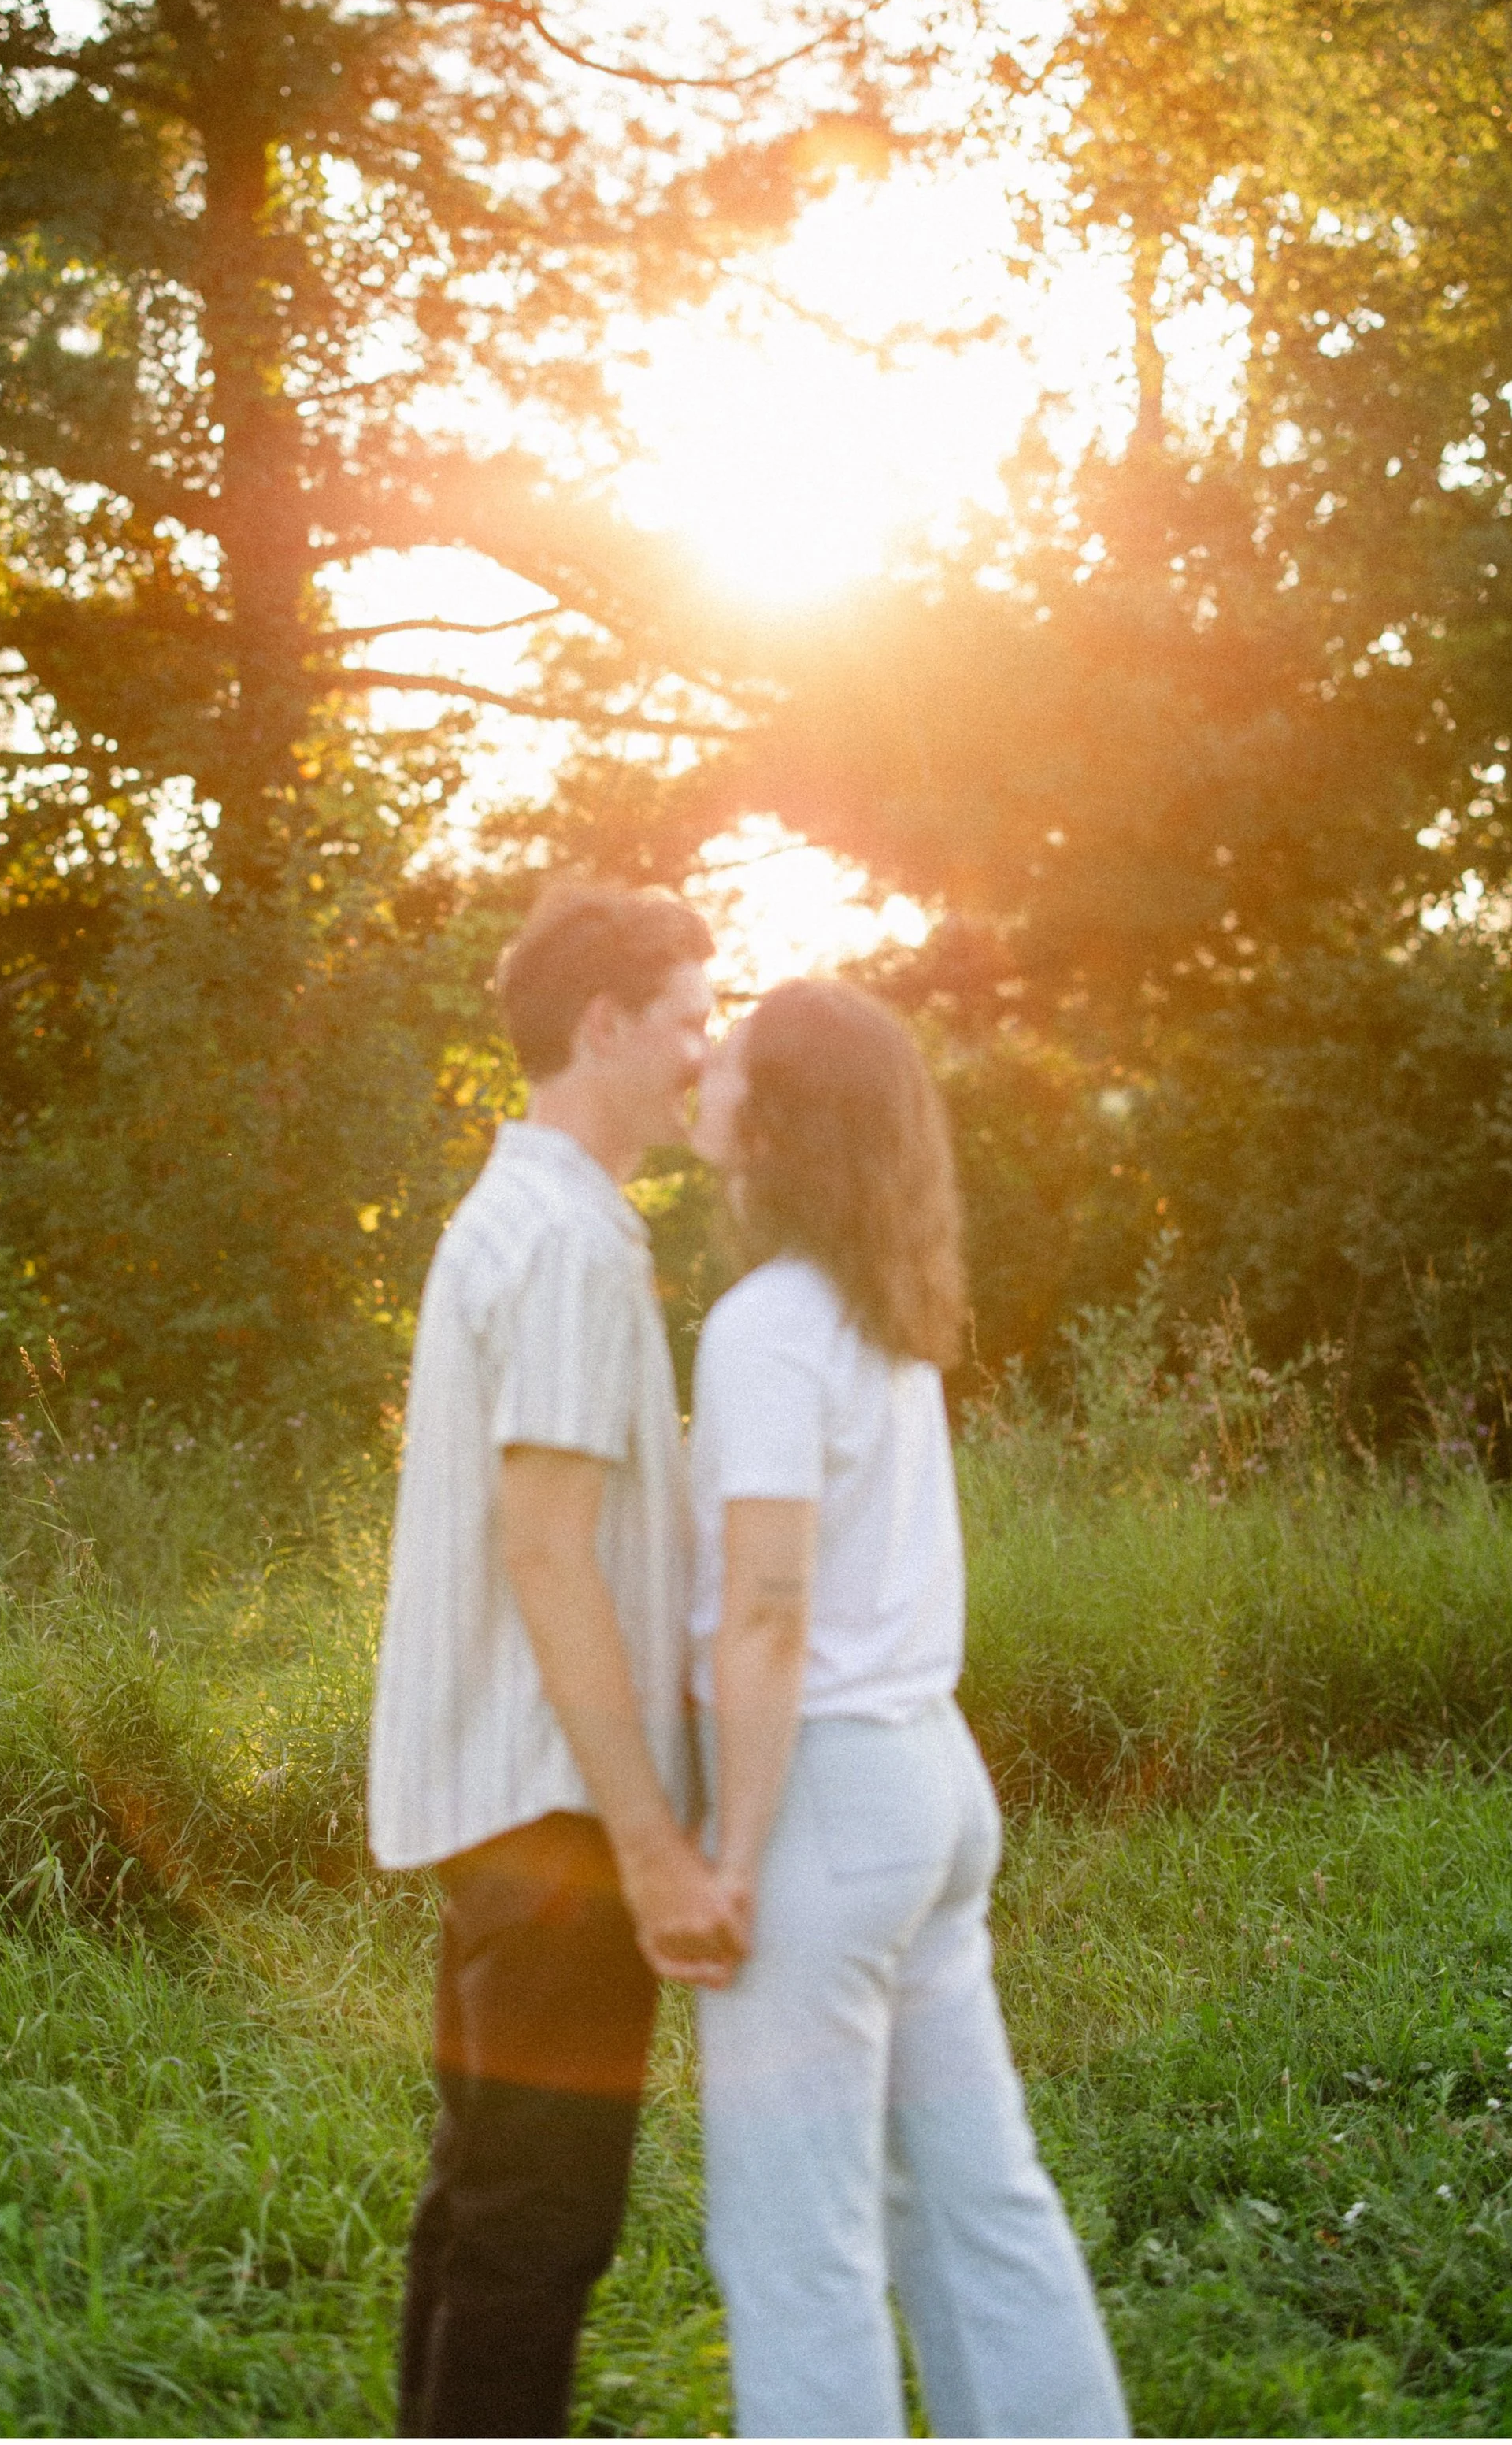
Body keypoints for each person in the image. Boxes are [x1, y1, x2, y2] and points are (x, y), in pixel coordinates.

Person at [689, 977, 1131, 2441]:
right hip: (934, 1789)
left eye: (733, 1056)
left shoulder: (766, 1325)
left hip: (823, 1802)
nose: (709, 1067)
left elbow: (767, 1607)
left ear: (777, 1115)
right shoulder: (882, 1311)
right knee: (978, 2203)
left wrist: (730, 1857)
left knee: (795, 2250)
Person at [368, 879, 739, 2440]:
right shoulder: (574, 1240)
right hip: (560, 1810)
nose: (701, 1054)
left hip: (491, 1793)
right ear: (604, 1023)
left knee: (481, 2197)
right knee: (538, 2222)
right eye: (684, 1018)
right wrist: (652, 1843)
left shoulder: (508, 1209)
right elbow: (543, 1546)